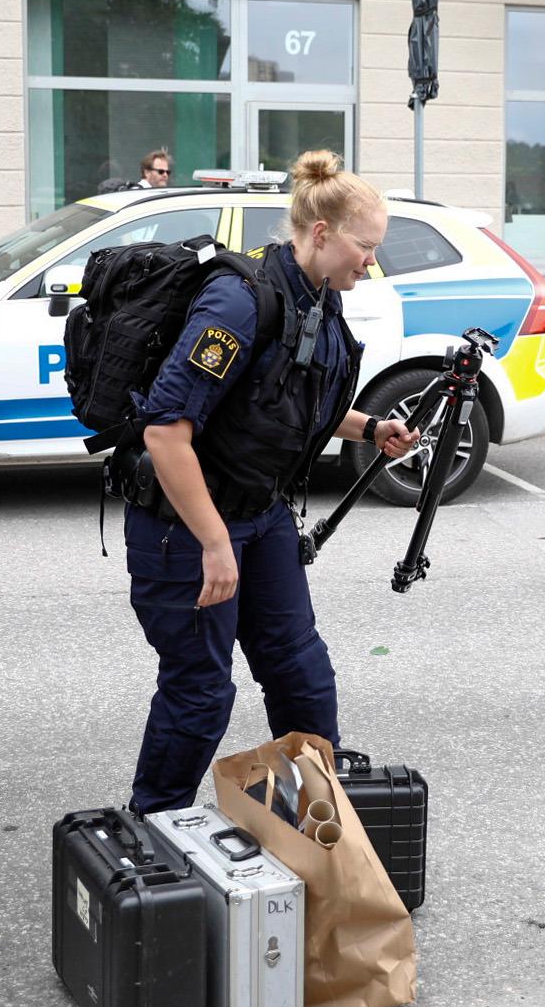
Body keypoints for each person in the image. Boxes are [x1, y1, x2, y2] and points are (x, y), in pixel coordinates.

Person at [122, 150, 418, 814]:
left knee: (299, 670)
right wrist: (214, 542)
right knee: (200, 691)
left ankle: (319, 818)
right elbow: (166, 432)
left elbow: (285, 402)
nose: (370, 262)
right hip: (188, 528)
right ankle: (154, 829)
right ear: (321, 234)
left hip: (262, 516)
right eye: (365, 246)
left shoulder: (315, 297)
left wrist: (370, 429)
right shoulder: (238, 300)